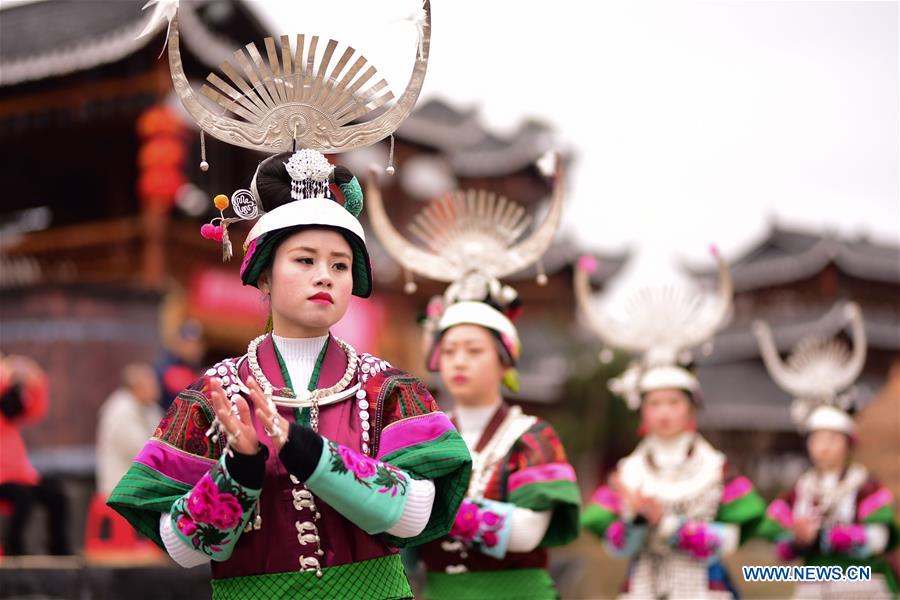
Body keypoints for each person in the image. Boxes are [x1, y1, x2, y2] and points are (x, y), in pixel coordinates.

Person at [109, 4, 470, 597]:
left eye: (340, 264)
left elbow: (412, 516)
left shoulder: (389, 390)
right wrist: (242, 467)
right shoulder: (213, 396)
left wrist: (304, 449)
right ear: (263, 275)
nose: (324, 276)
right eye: (304, 261)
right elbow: (180, 546)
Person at [367, 154, 580, 599]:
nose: (459, 361)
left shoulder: (533, 437)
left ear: (506, 360)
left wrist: (430, 507)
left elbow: (526, 532)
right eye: (450, 350)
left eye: (475, 350)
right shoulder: (420, 434)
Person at [576, 250, 766, 599]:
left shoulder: (716, 469)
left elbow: (730, 541)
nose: (664, 413)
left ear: (692, 408)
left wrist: (666, 524)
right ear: (642, 410)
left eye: (674, 402)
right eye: (655, 403)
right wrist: (634, 520)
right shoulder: (628, 473)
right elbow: (615, 547)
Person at [754, 302, 898, 598]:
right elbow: (779, 545)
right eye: (817, 439)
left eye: (833, 439)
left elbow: (877, 538)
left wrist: (821, 536)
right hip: (813, 585)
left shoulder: (864, 486)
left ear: (848, 443)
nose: (824, 447)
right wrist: (796, 540)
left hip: (861, 584)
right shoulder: (802, 489)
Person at [0, 353, 70, 555]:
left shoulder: (9, 416)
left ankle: (59, 549)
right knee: (23, 497)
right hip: (5, 480)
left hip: (21, 476)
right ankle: (15, 550)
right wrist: (8, 373)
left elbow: (35, 409)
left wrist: (36, 379)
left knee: (56, 494)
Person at [97, 363, 163, 496]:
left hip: (141, 488)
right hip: (120, 492)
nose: (156, 387)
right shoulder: (120, 410)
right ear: (137, 386)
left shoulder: (150, 407)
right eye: (151, 382)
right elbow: (142, 452)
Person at [156, 320, 205, 411]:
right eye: (188, 344)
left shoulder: (194, 366)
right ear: (178, 344)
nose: (193, 348)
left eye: (197, 344)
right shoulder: (167, 367)